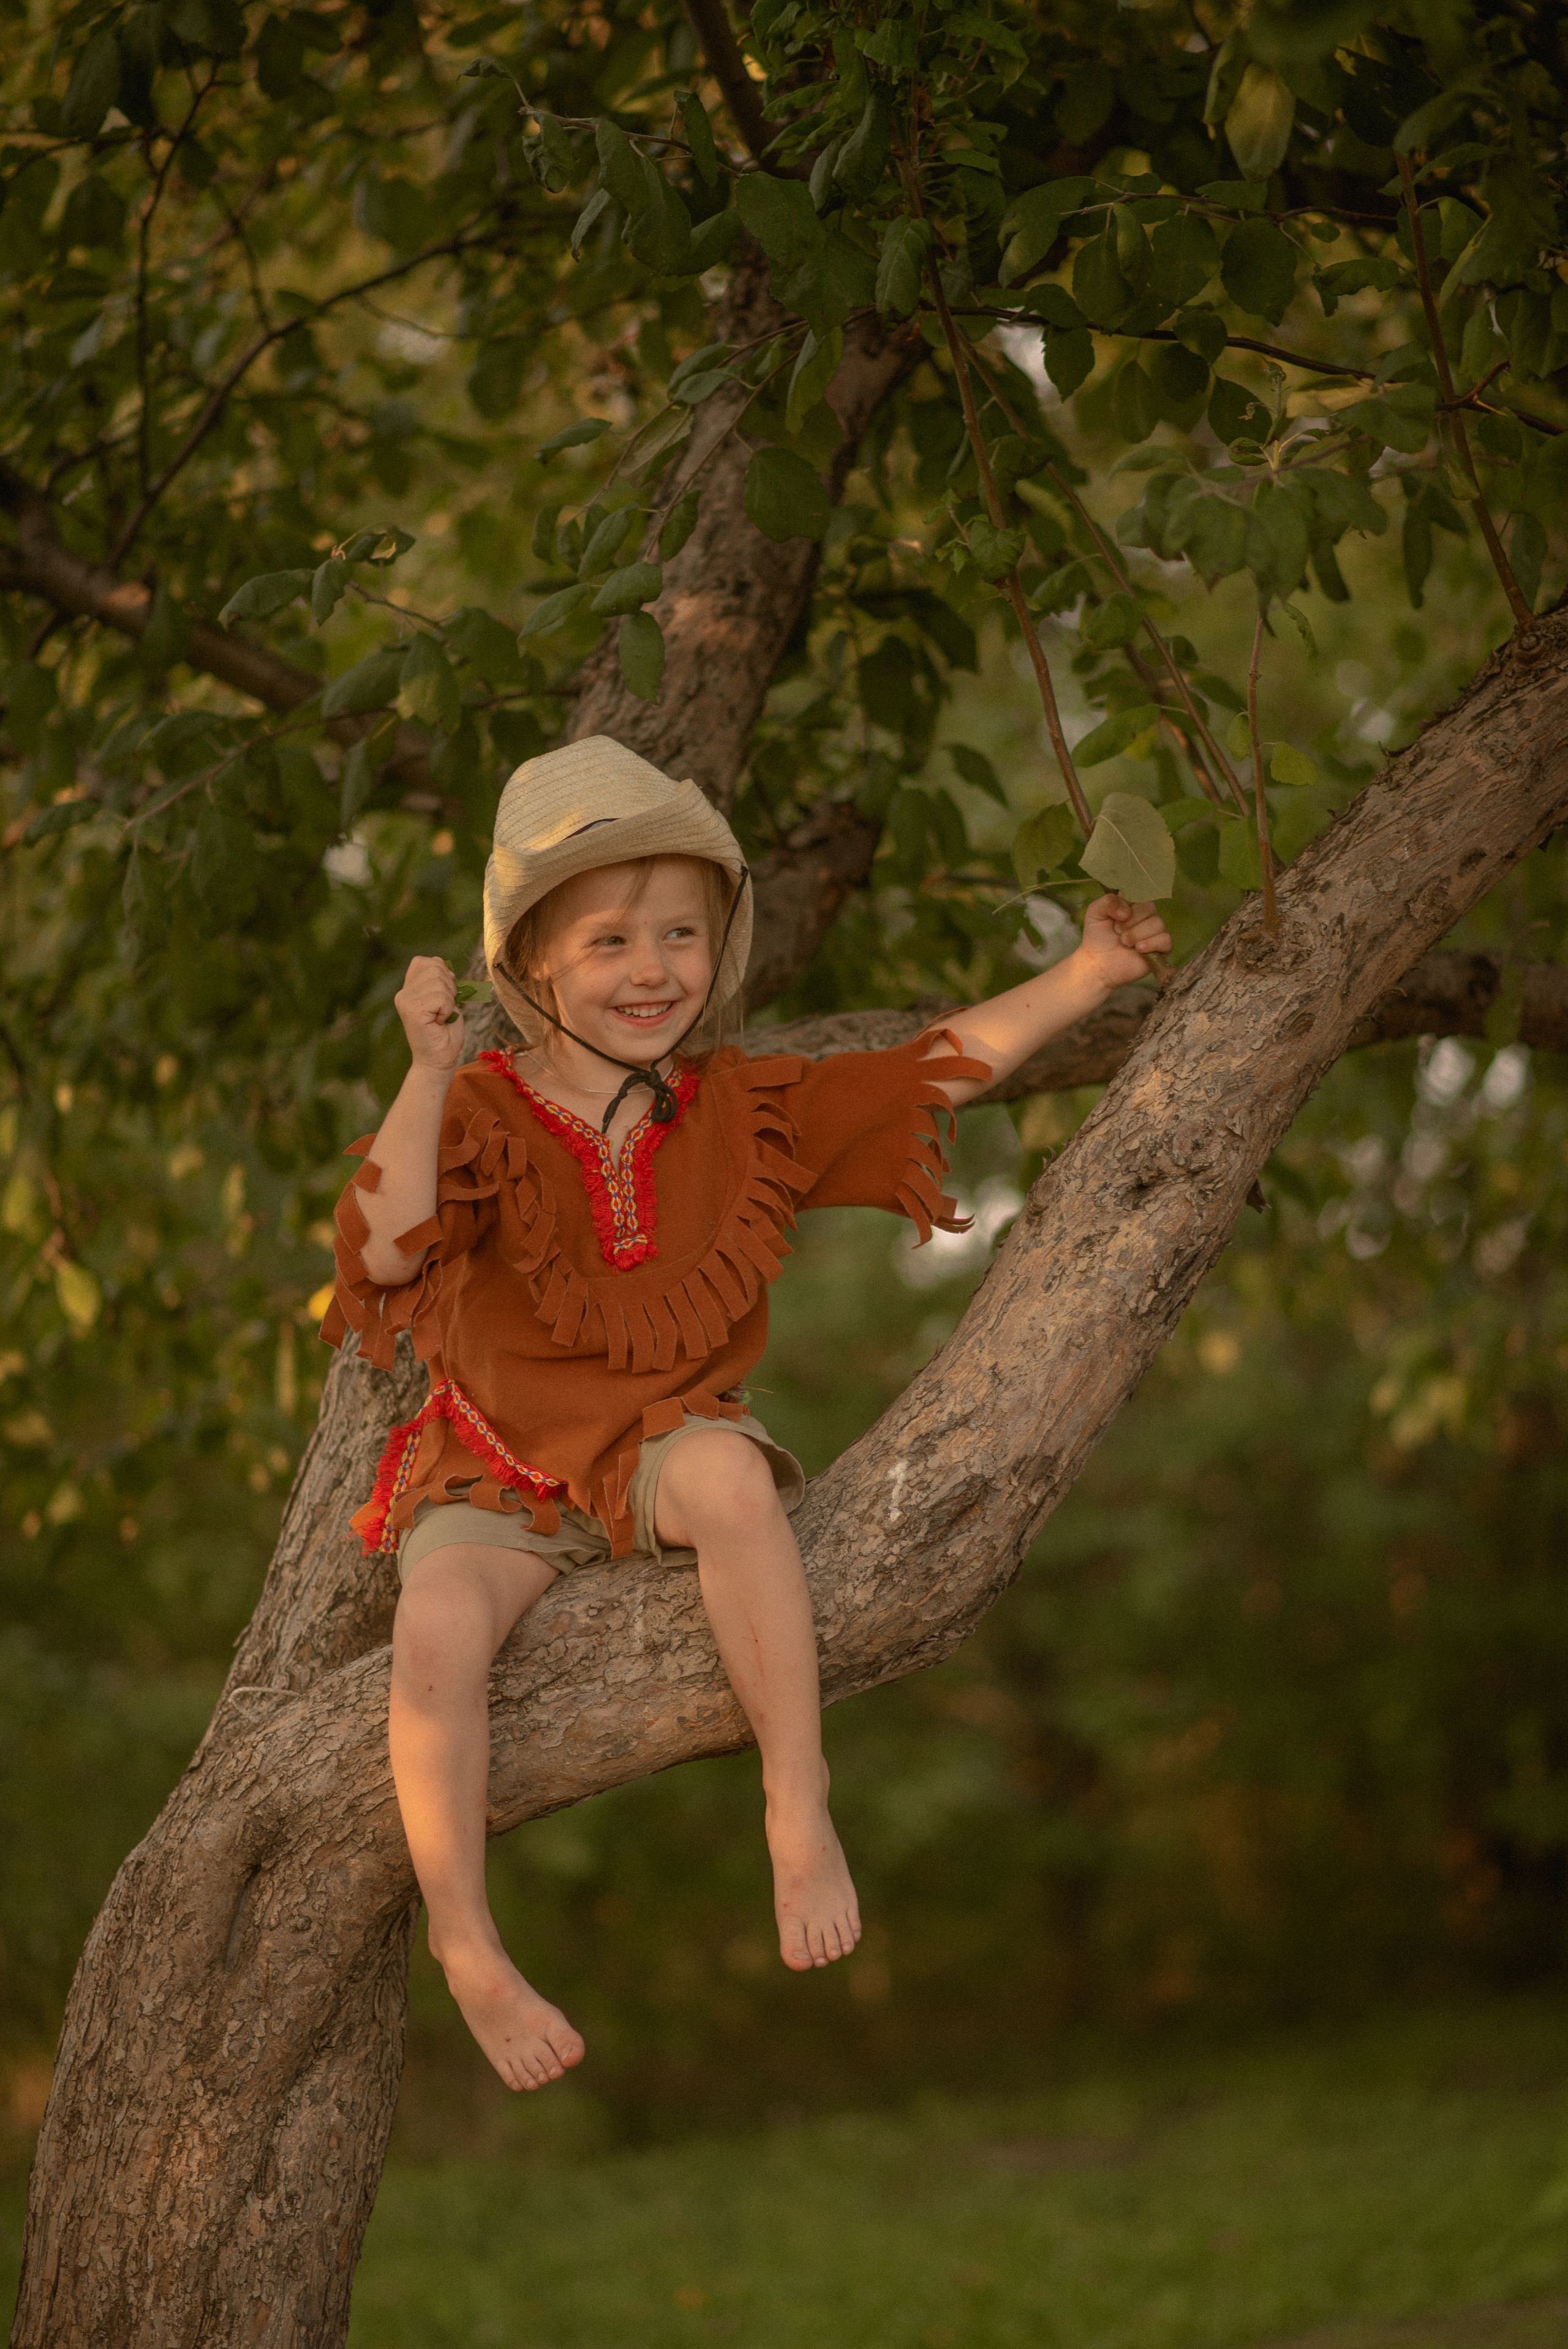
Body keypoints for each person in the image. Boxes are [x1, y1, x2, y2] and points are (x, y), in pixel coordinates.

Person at [323, 736, 1170, 2093]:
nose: (650, 966)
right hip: (496, 1473)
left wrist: (1086, 973)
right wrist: (424, 1074)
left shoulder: (745, 1108)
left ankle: (794, 1800)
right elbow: (378, 1255)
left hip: (652, 1446)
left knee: (728, 1481)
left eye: (679, 934)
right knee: (431, 1640)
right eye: (607, 939)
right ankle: (469, 1944)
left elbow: (927, 1071)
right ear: (533, 961)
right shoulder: (477, 1110)